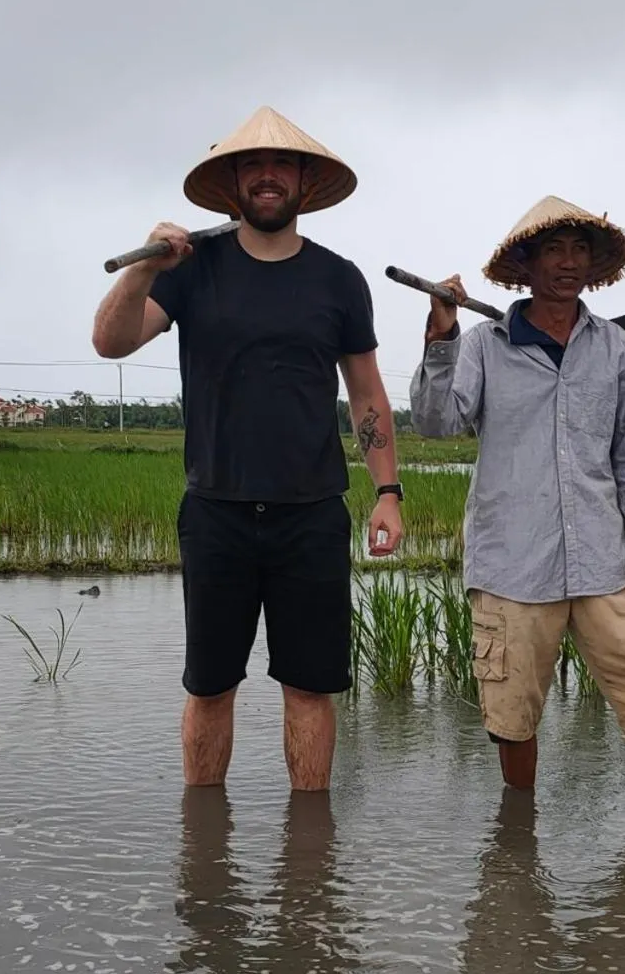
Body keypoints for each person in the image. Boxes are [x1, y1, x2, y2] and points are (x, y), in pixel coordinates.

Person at [92, 105, 403, 792]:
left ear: (303, 184)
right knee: (209, 687)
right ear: (233, 185)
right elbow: (110, 341)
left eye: (280, 165)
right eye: (252, 167)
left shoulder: (337, 279)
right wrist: (144, 270)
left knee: (310, 689)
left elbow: (367, 394)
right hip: (216, 512)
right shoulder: (188, 270)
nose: (267, 177)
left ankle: (309, 872)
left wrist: (388, 493)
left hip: (313, 513)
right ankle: (204, 857)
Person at [410, 195, 625, 795]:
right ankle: (517, 844)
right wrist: (440, 334)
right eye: (553, 249)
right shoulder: (483, 345)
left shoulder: (615, 349)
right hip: (511, 566)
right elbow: (436, 422)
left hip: (604, 563)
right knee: (513, 710)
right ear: (526, 264)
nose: (568, 262)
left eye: (580, 250)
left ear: (595, 265)